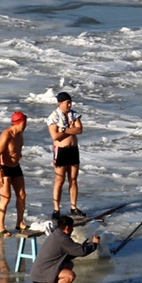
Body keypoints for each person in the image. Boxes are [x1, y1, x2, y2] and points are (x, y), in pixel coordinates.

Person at [29, 215, 100, 283]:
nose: (72, 230)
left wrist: (83, 246)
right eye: (72, 228)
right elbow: (82, 252)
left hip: (40, 271)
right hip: (41, 274)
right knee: (70, 276)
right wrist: (94, 244)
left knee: (68, 264)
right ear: (67, 228)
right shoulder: (62, 239)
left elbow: (70, 253)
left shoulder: (57, 234)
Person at [47, 91, 85, 220]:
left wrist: (63, 129)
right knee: (60, 180)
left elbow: (79, 130)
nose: (69, 105)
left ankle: (73, 207)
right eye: (67, 103)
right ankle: (56, 209)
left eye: (70, 102)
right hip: (61, 151)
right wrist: (70, 129)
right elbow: (55, 136)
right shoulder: (53, 117)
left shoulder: (74, 114)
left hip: (73, 149)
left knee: (73, 179)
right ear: (60, 103)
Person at [0, 111, 28, 237]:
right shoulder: (6, 135)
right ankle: (1, 228)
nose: (26, 125)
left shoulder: (20, 135)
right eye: (25, 122)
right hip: (4, 169)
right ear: (19, 123)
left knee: (22, 195)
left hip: (16, 167)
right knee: (5, 198)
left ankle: (20, 222)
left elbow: (16, 150)